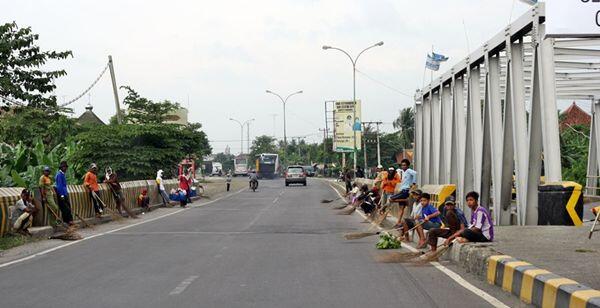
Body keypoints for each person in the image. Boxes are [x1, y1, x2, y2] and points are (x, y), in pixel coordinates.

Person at [55, 161, 74, 226]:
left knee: (67, 207)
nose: (65, 168)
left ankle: (68, 221)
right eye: (64, 167)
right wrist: (62, 195)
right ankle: (68, 221)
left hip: (65, 193)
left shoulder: (62, 174)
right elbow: (59, 186)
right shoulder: (59, 175)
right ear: (61, 167)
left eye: (66, 167)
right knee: (65, 208)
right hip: (61, 194)